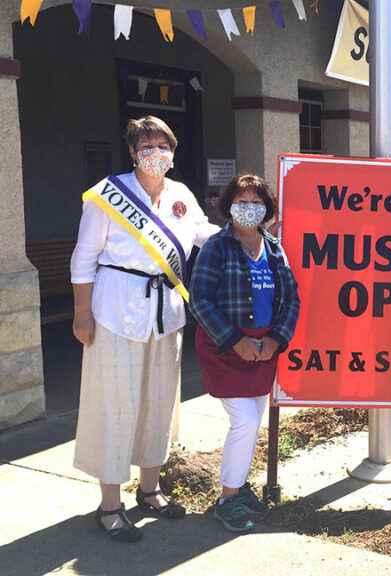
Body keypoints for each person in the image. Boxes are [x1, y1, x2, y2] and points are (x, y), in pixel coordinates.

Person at [71, 116, 219, 542]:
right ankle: (110, 504)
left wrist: (245, 232)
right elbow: (84, 258)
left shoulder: (181, 194)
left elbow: (200, 235)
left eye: (163, 146)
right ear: (133, 153)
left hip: (165, 313)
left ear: (173, 154)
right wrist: (82, 314)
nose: (155, 153)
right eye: (146, 146)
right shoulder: (108, 195)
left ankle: (150, 489)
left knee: (158, 403)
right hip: (115, 309)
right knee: (115, 406)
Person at [189, 174, 300, 532]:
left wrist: (275, 340)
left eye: (256, 202)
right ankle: (226, 500)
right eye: (242, 201)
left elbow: (291, 298)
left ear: (266, 208)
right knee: (246, 421)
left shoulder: (273, 247)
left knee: (251, 423)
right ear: (228, 206)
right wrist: (236, 340)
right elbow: (200, 300)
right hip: (226, 349)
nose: (249, 209)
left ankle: (238, 488)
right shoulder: (216, 247)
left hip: (263, 351)